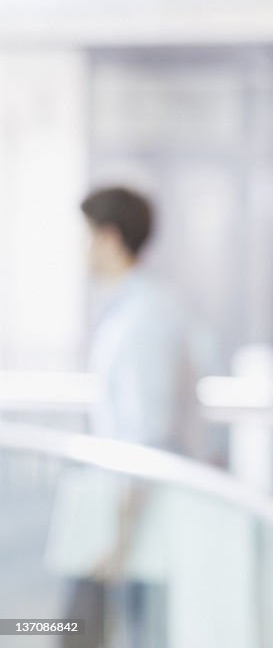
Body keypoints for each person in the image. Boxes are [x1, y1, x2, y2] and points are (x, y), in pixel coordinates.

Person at [52, 186, 201, 648]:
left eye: (86, 236)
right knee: (83, 631)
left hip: (138, 519)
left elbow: (147, 436)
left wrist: (120, 537)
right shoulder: (129, 310)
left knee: (126, 632)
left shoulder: (144, 318)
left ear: (110, 238)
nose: (81, 250)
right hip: (119, 513)